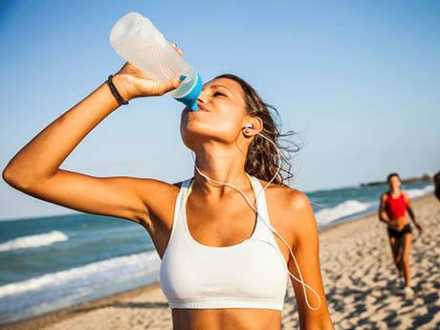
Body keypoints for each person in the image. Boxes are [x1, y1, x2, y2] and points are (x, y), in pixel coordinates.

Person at [2, 43, 333, 329]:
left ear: (251, 126)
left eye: (219, 94)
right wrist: (120, 89)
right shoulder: (161, 202)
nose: (198, 98)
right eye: (200, 92)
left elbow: (316, 320)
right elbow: (26, 174)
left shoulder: (288, 207)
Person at [377, 172, 423, 298]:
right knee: (396, 259)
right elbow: (381, 215)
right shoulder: (385, 197)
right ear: (388, 183)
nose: (393, 183)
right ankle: (402, 275)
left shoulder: (404, 195)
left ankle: (408, 286)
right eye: (391, 181)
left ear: (399, 182)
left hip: (405, 228)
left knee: (404, 258)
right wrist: (389, 222)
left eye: (396, 181)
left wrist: (416, 222)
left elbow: (410, 210)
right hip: (392, 230)